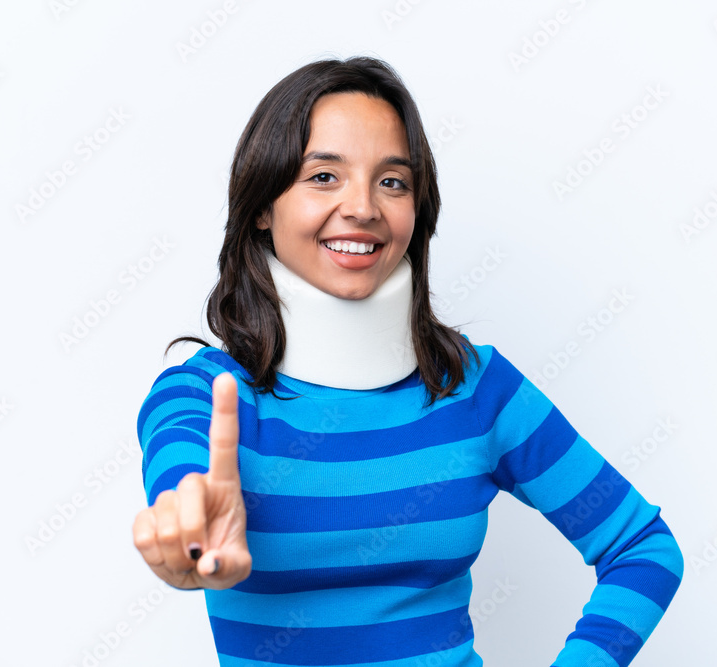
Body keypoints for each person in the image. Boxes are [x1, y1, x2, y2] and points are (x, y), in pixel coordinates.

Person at [132, 55, 684, 666]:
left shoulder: (477, 389)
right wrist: (188, 525)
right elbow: (183, 485)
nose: (364, 207)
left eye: (392, 181)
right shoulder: (204, 398)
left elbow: (643, 548)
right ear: (263, 206)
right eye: (323, 176)